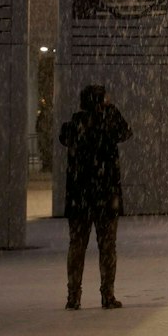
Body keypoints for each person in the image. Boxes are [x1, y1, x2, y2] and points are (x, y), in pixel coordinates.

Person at [59, 84, 131, 311]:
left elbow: (64, 136)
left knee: (77, 246)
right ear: (101, 102)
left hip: (79, 197)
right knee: (107, 247)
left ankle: (73, 296)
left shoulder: (74, 126)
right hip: (105, 196)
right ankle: (107, 295)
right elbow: (126, 131)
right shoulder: (108, 123)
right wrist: (109, 111)